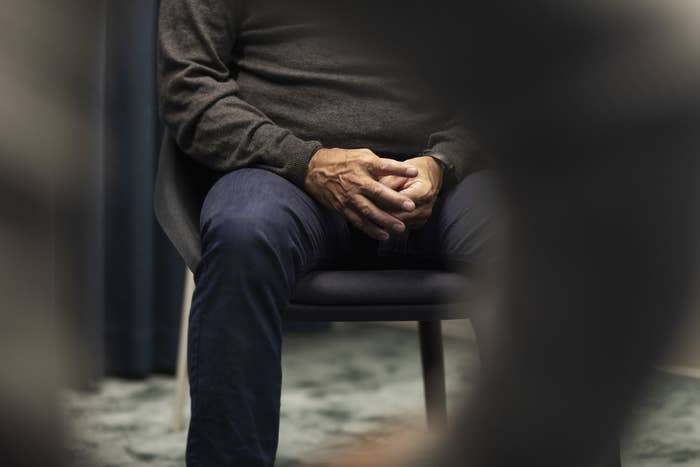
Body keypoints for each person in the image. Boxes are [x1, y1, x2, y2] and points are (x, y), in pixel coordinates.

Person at [158, 1, 502, 465]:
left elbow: (506, 83)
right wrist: (307, 162)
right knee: (242, 235)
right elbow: (188, 88)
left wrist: (444, 161)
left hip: (440, 183)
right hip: (284, 176)